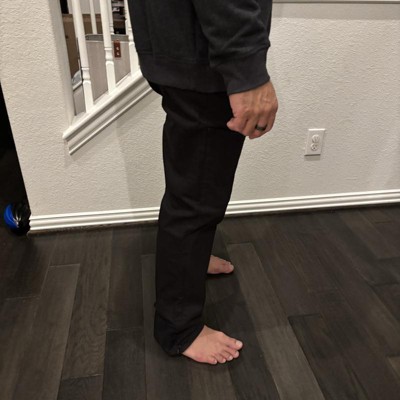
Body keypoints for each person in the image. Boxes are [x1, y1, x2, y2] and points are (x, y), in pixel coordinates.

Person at [127, 0, 279, 365]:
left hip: (181, 42)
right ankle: (179, 328)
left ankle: (189, 263)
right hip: (204, 53)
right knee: (196, 200)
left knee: (193, 188)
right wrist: (245, 66)